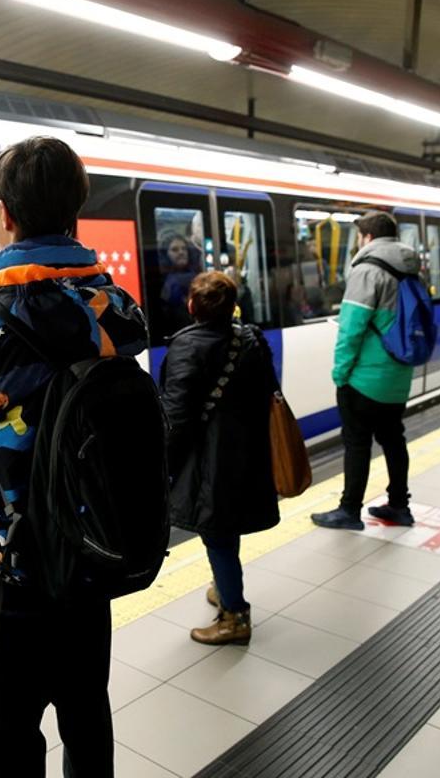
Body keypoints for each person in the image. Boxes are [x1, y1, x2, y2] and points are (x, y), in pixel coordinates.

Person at [0, 136, 147, 778]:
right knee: (87, 718)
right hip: (90, 561)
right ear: (73, 210)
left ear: (3, 212)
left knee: (7, 744)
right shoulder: (117, 311)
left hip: (8, 580)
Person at [160, 271, 279, 645]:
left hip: (210, 460)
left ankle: (234, 616)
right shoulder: (252, 338)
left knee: (217, 533)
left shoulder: (187, 346)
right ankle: (223, 586)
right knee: (226, 527)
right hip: (247, 453)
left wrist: (164, 464)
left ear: (192, 306)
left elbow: (176, 418)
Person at [312, 211, 420, 530]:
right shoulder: (409, 267)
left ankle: (349, 510)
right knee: (393, 439)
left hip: (365, 377)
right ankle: (400, 505)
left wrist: (340, 374)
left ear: (367, 237)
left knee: (357, 444)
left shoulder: (368, 269)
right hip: (398, 374)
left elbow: (351, 328)